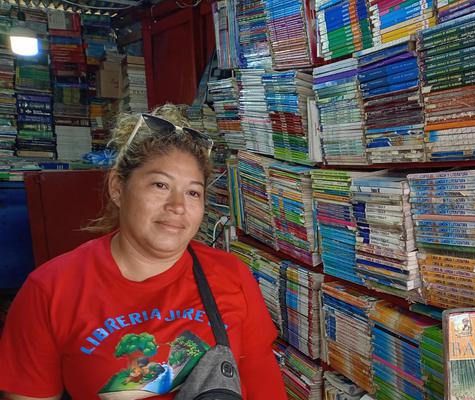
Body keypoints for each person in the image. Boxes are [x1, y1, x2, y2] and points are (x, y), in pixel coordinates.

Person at [0, 104, 288, 400]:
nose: (177, 206)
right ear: (117, 187)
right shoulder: (49, 290)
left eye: (193, 192)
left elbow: (263, 382)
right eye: (160, 185)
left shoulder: (232, 275)